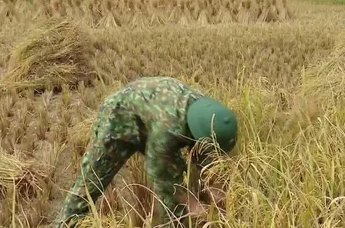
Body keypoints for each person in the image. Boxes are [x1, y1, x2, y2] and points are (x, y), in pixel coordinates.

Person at [54, 77, 238, 228]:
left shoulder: (207, 114)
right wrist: (191, 203)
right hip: (118, 119)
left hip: (150, 112)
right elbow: (162, 176)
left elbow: (203, 154)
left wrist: (209, 187)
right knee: (92, 181)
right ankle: (66, 222)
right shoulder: (169, 129)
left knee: (179, 194)